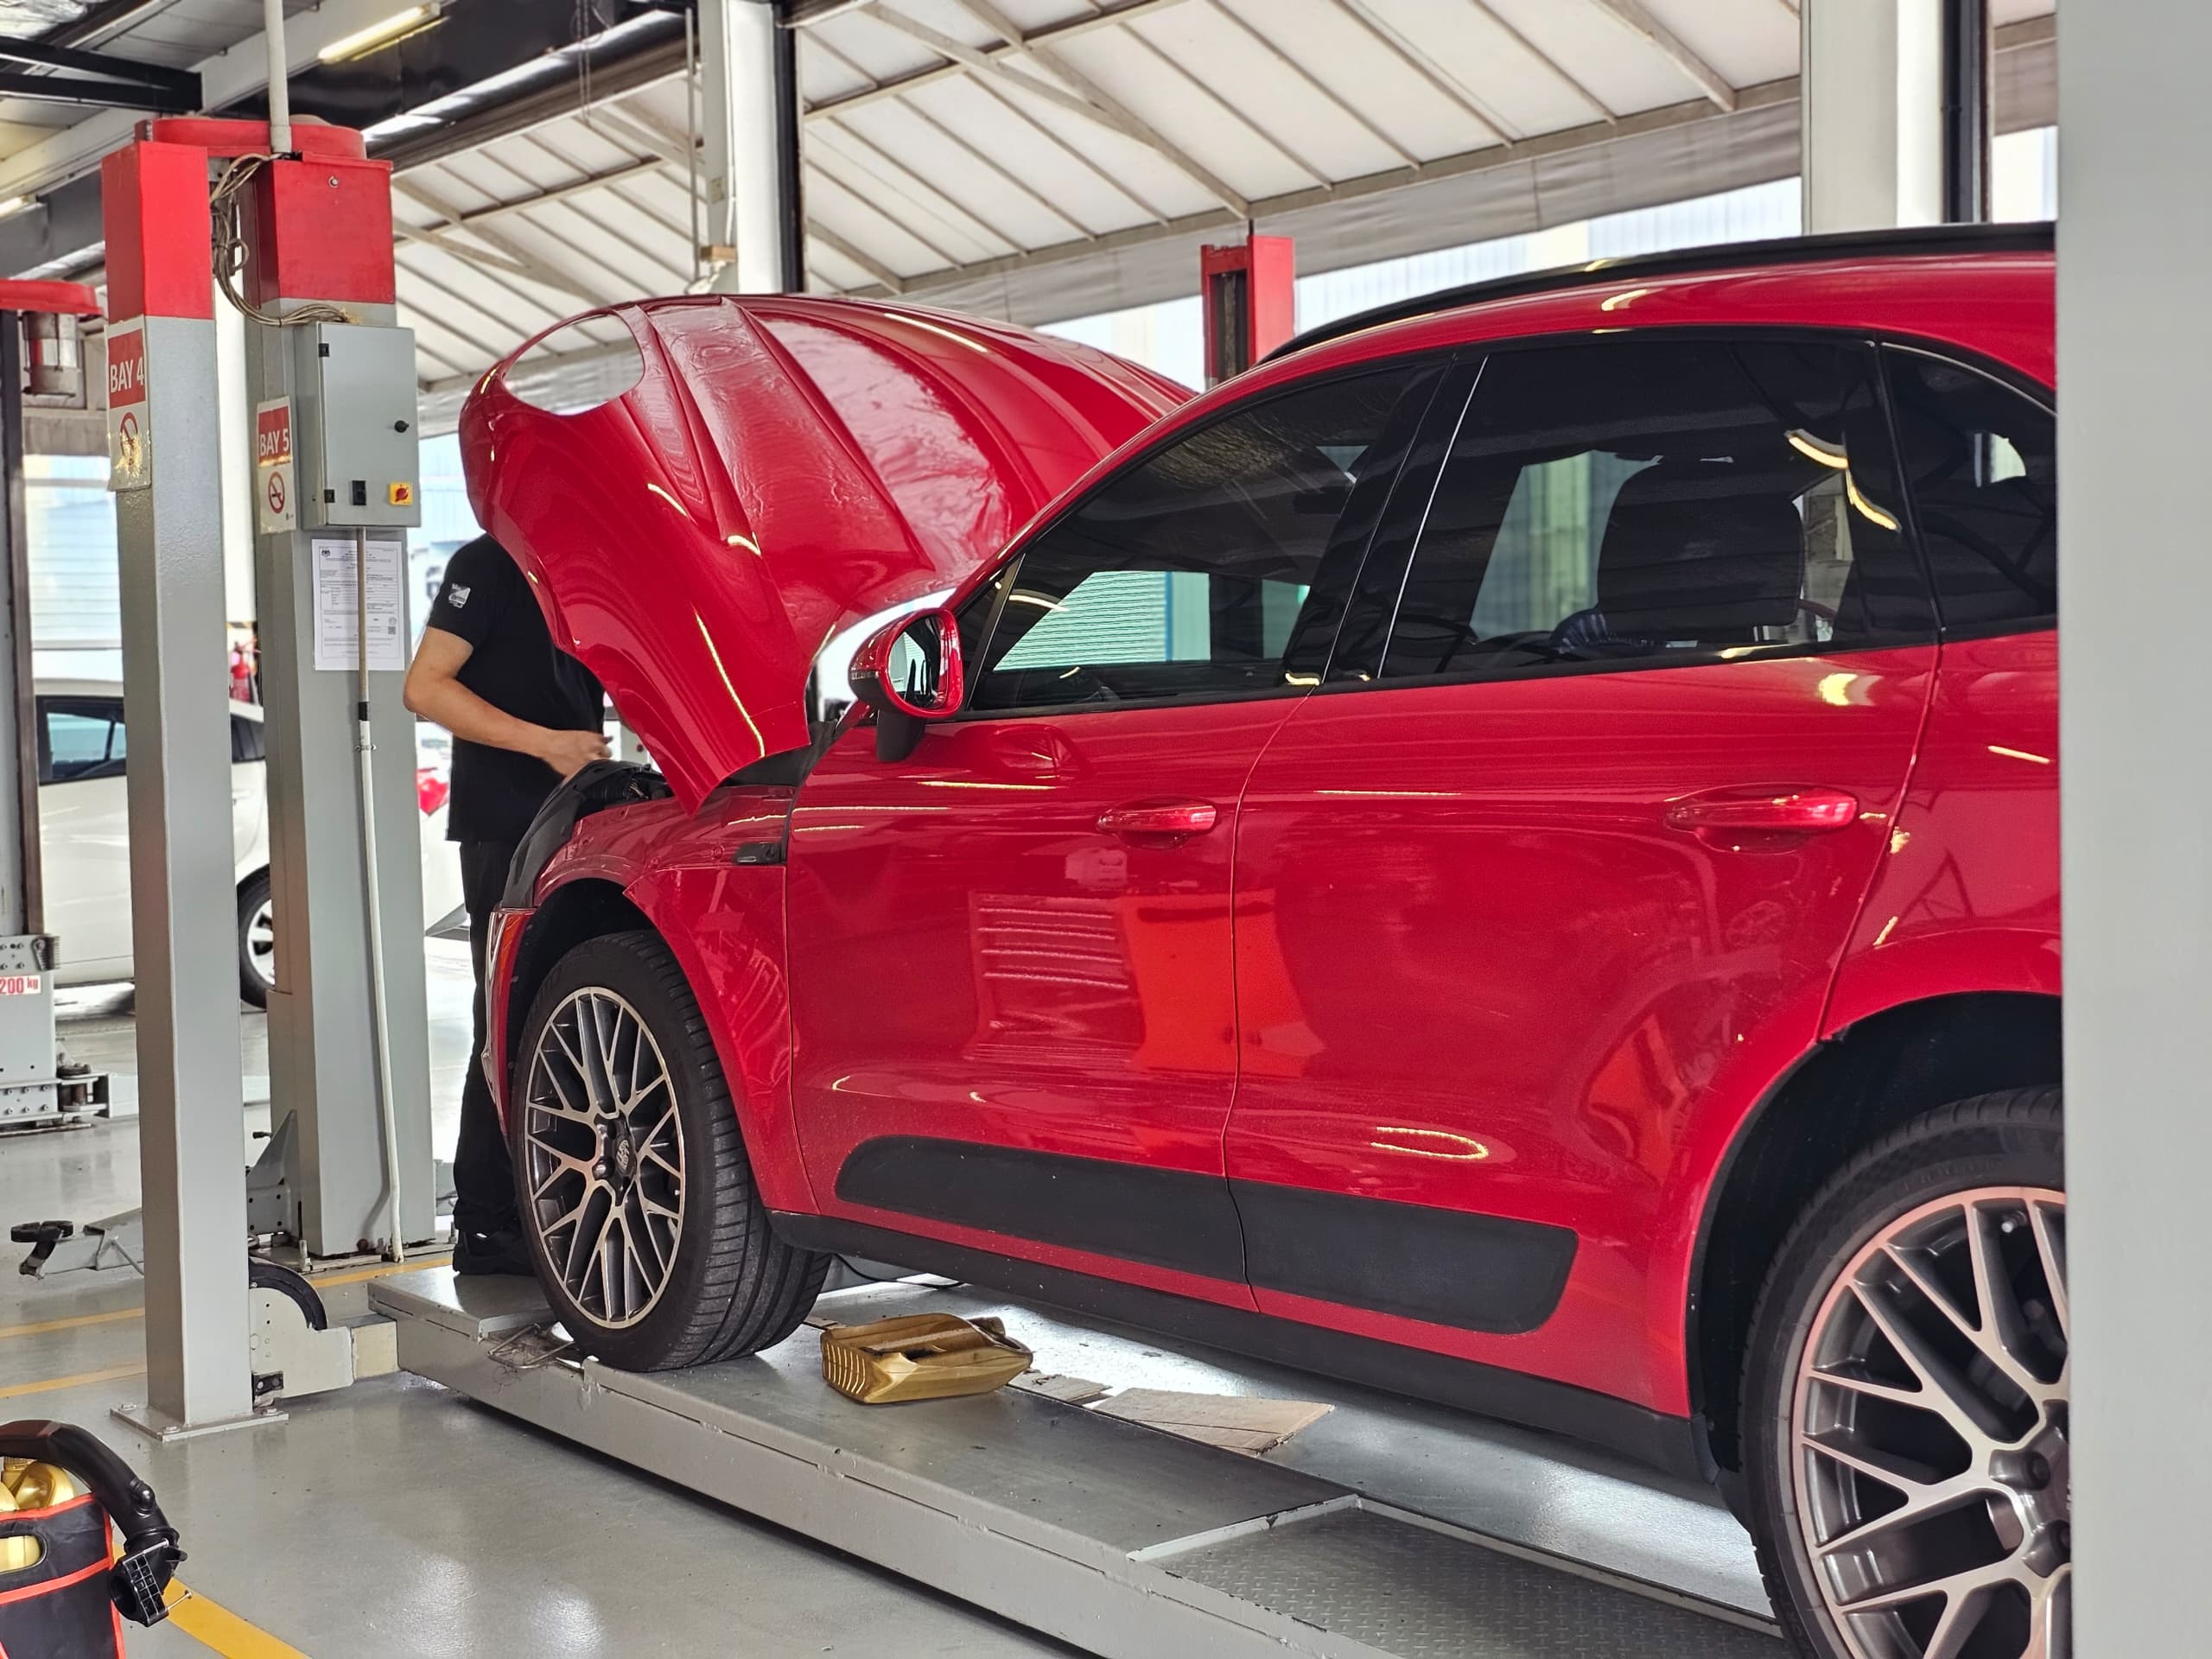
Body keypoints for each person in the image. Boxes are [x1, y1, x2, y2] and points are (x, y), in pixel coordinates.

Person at [404, 533, 609, 1274]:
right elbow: (424, 687)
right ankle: (488, 1222)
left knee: (570, 1015)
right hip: (506, 822)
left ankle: (550, 1206)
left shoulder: (593, 559)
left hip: (583, 816)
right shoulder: (486, 564)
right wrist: (545, 744)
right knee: (506, 1016)